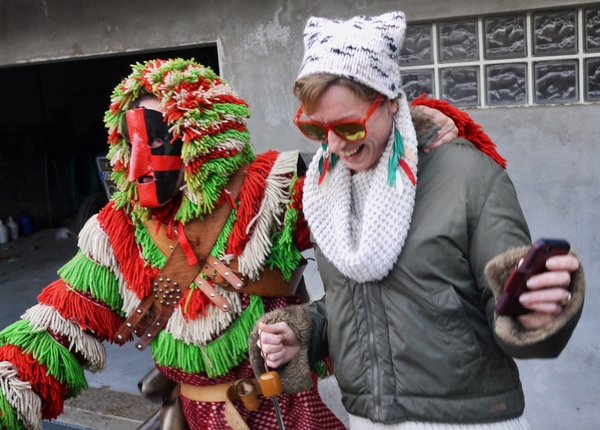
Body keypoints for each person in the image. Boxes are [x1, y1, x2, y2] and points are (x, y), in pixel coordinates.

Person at [250, 11, 585, 430]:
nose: (334, 145)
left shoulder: (468, 176)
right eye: (317, 129)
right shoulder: (325, 191)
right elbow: (358, 305)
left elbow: (508, 311)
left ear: (391, 100)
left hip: (464, 421)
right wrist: (305, 331)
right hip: (368, 419)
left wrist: (534, 315)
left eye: (349, 126)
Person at [0, 58, 348, 430]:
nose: (136, 168)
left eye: (154, 141)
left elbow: (373, 264)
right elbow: (58, 326)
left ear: (199, 135)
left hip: (286, 415)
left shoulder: (271, 193)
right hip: (192, 418)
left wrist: (314, 327)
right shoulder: (121, 228)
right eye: (131, 144)